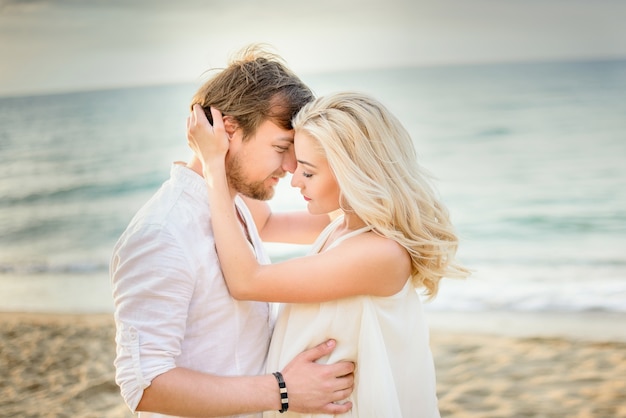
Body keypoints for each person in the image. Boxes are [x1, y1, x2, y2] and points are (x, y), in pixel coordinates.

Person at [186, 91, 471, 417]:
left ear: (353, 174)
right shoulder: (343, 223)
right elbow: (262, 223)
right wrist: (238, 147)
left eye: (307, 171)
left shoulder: (380, 253)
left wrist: (212, 167)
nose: (294, 180)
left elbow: (246, 281)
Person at [110, 45, 355, 418]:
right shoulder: (163, 233)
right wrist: (283, 391)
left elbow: (331, 221)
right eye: (281, 147)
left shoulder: (235, 205)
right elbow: (144, 384)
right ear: (227, 130)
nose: (291, 167)